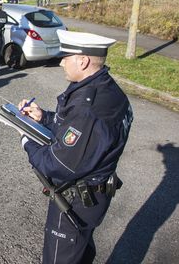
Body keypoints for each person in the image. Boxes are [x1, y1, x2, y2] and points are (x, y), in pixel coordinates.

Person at [18, 30, 132, 264]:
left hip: (77, 200)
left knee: (62, 256)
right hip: (96, 193)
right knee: (80, 251)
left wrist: (26, 138)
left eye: (65, 57)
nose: (61, 62)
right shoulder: (108, 89)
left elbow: (57, 165)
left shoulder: (88, 108)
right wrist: (44, 117)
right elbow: (80, 131)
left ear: (83, 61)